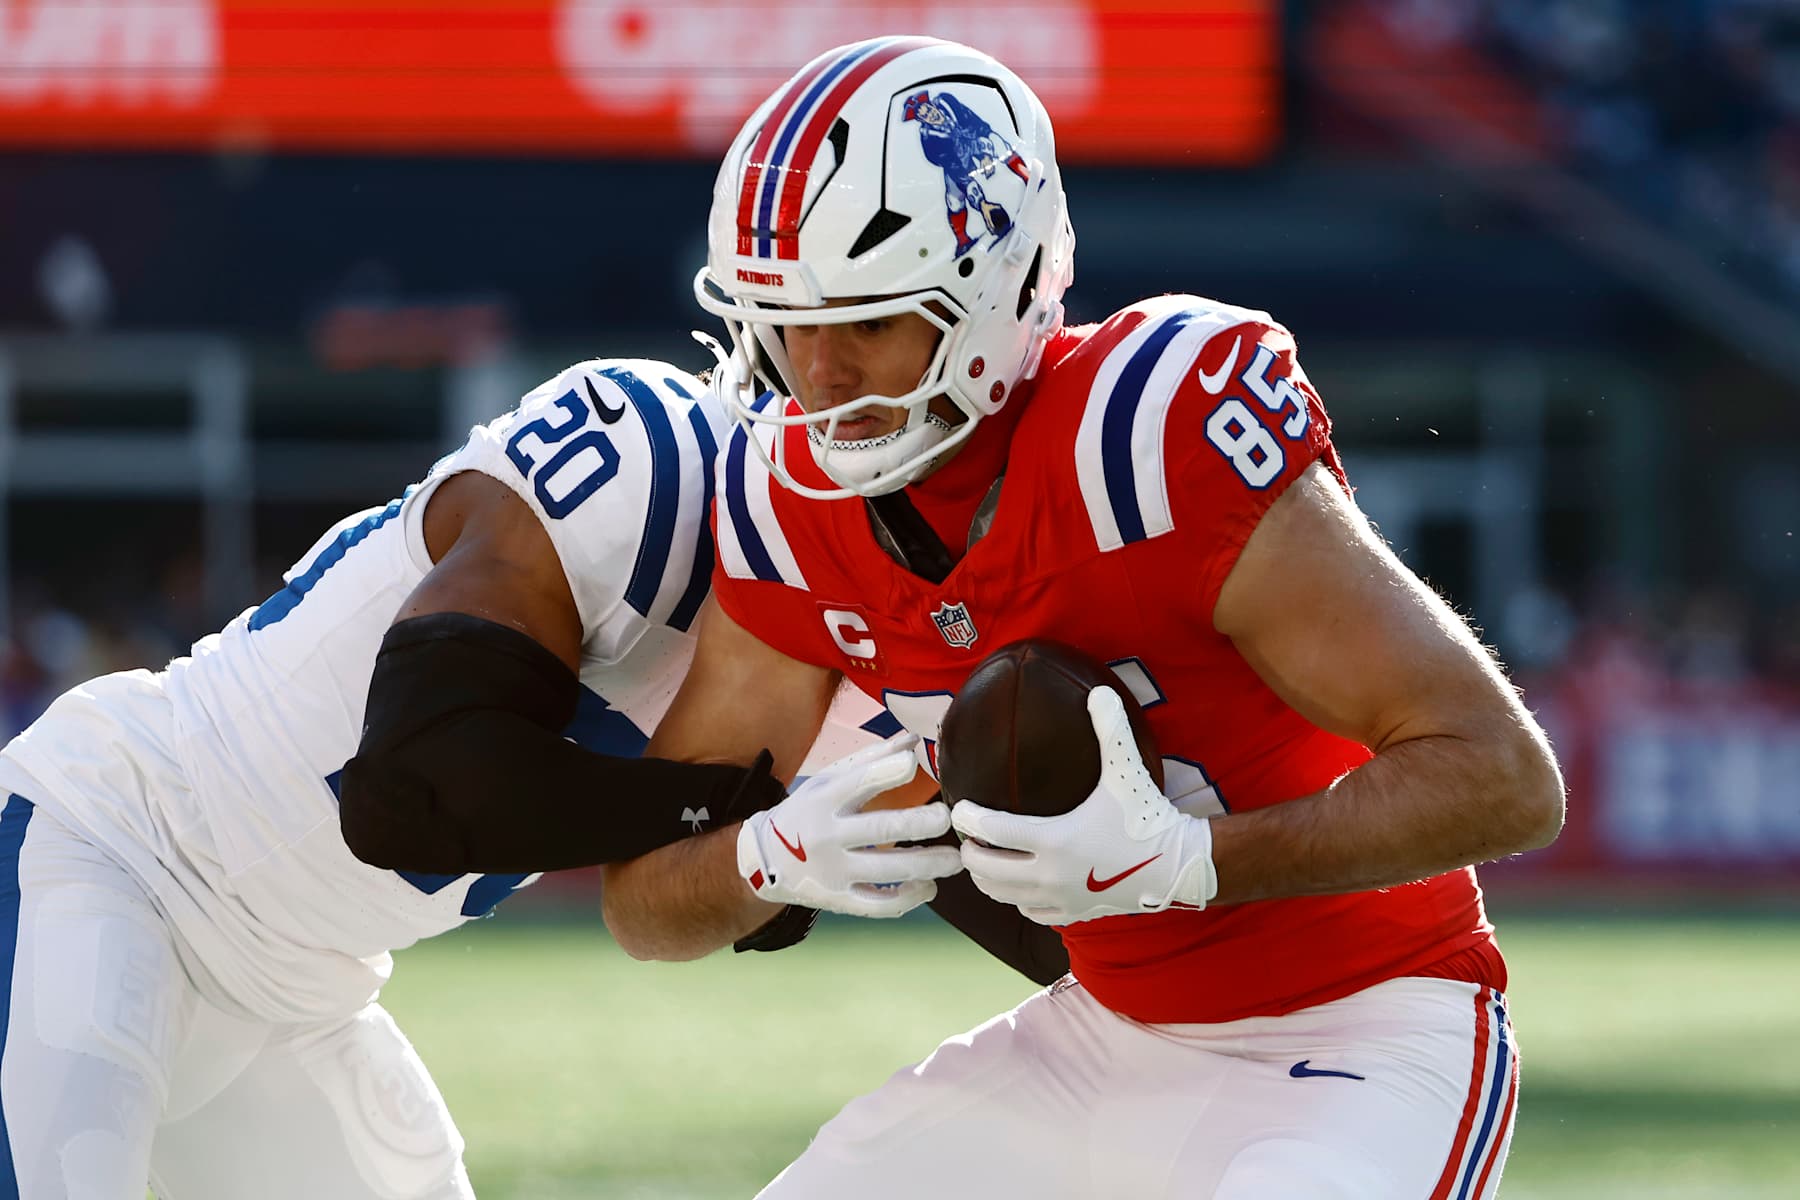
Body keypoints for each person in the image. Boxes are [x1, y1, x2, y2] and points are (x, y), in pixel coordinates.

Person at [600, 35, 1567, 1199]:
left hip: (1366, 1028)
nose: (817, 372)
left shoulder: (1150, 440)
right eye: (786, 319)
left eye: (866, 320)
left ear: (997, 290)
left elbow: (1507, 780)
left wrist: (1192, 862)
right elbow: (643, 902)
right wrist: (770, 855)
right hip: (1101, 1038)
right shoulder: (787, 505)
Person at [0, 355, 1056, 1200]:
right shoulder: (648, 457)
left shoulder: (862, 633)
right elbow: (411, 791)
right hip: (113, 853)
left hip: (295, 991)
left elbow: (1051, 918)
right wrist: (737, 821)